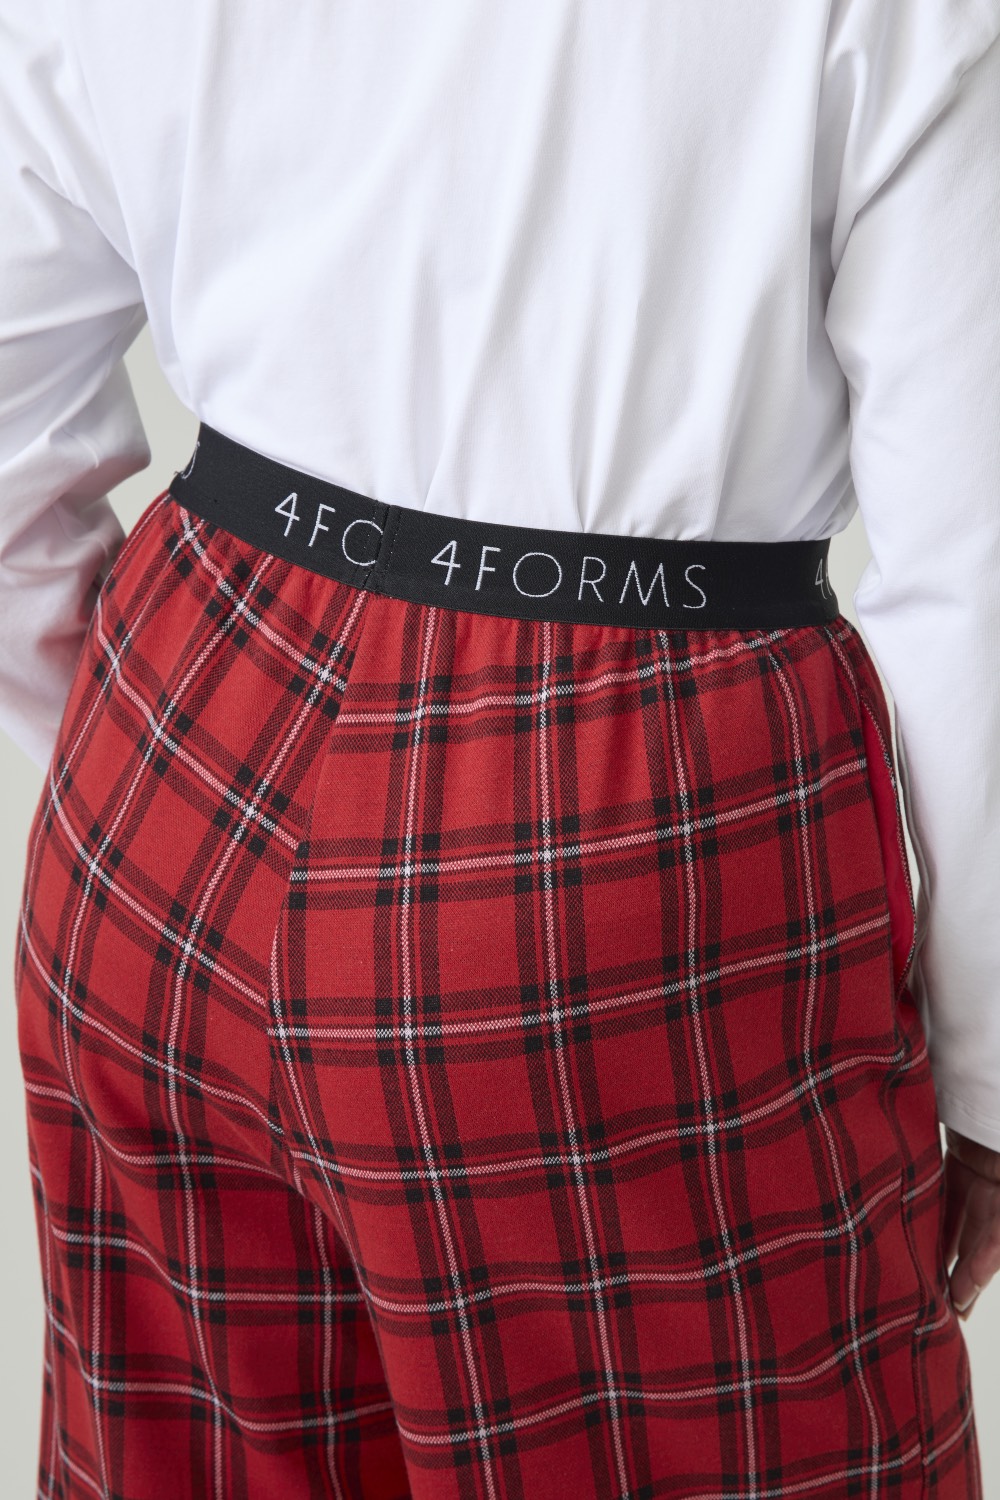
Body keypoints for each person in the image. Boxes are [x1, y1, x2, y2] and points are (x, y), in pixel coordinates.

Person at [2, 2, 999, 1496]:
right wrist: (987, 1076)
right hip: (627, 830)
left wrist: (138, 745)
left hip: (178, 736)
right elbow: (979, 563)